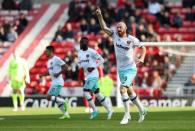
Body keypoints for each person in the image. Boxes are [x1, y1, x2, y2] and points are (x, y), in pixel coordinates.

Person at [96, 7, 147, 124]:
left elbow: (143, 48)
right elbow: (104, 28)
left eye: (120, 27)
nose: (118, 29)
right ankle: (142, 110)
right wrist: (99, 16)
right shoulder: (114, 35)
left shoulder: (132, 39)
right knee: (129, 91)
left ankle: (127, 115)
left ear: (125, 28)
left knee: (122, 89)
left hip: (130, 69)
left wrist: (142, 57)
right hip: (121, 70)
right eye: (117, 27)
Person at [77, 37, 112, 120]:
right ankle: (109, 110)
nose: (80, 44)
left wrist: (93, 67)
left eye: (81, 43)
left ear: (85, 44)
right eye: (80, 43)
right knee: (97, 94)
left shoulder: (92, 51)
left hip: (94, 75)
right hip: (87, 76)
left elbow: (102, 60)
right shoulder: (79, 53)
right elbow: (81, 65)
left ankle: (95, 110)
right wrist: (83, 76)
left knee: (85, 92)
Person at [40, 46, 70, 119]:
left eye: (46, 51)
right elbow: (50, 72)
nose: (45, 53)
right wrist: (43, 75)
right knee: (55, 100)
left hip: (58, 81)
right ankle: (66, 114)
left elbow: (66, 67)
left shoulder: (56, 59)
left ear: (51, 51)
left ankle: (64, 101)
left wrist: (59, 73)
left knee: (49, 97)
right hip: (54, 82)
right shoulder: (49, 61)